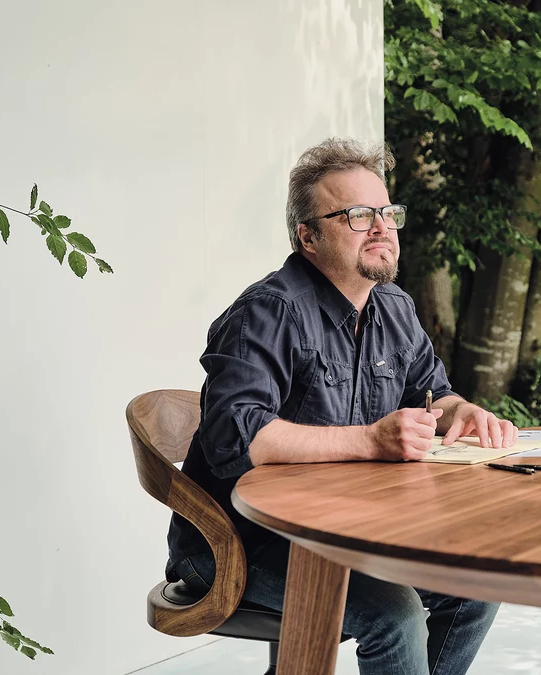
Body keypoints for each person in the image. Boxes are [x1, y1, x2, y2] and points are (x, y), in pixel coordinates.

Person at [166, 138, 517, 675]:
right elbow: (238, 438)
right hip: (237, 542)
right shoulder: (268, 313)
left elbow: (431, 392)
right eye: (357, 215)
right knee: (395, 614)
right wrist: (372, 439)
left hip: (350, 532)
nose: (381, 226)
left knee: (476, 583)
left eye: (386, 212)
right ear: (308, 235)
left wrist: (460, 411)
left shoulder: (395, 309)